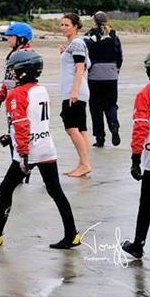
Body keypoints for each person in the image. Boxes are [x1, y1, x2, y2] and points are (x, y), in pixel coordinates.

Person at [0, 49, 81, 249]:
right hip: (46, 146)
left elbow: (22, 124)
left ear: (23, 71)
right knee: (55, 191)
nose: (11, 74)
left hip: (29, 150)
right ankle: (72, 234)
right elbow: (35, 121)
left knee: (6, 187)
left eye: (13, 70)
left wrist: (22, 153)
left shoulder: (17, 94)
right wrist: (10, 137)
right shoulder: (41, 90)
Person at [121, 47, 150, 260]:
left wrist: (135, 157)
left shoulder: (146, 92)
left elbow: (140, 126)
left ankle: (139, 243)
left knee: (146, 202)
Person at [0, 22, 34, 165]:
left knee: (19, 132)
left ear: (21, 39)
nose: (8, 39)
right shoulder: (13, 55)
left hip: (20, 100)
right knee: (12, 133)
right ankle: (17, 162)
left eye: (11, 36)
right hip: (11, 100)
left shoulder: (27, 56)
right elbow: (7, 80)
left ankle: (22, 164)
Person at [59, 13, 92, 178]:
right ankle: (83, 163)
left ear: (76, 26)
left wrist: (74, 91)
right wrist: (64, 53)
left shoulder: (77, 43)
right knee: (81, 128)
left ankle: (85, 164)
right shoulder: (73, 44)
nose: (63, 28)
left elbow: (80, 68)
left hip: (75, 92)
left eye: (67, 25)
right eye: (62, 25)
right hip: (78, 91)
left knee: (71, 127)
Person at [85, 11, 123, 147]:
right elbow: (119, 56)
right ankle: (113, 125)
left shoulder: (90, 35)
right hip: (112, 74)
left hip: (95, 75)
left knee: (95, 107)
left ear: (94, 21)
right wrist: (116, 69)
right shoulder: (114, 36)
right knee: (111, 104)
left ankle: (100, 137)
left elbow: (85, 54)